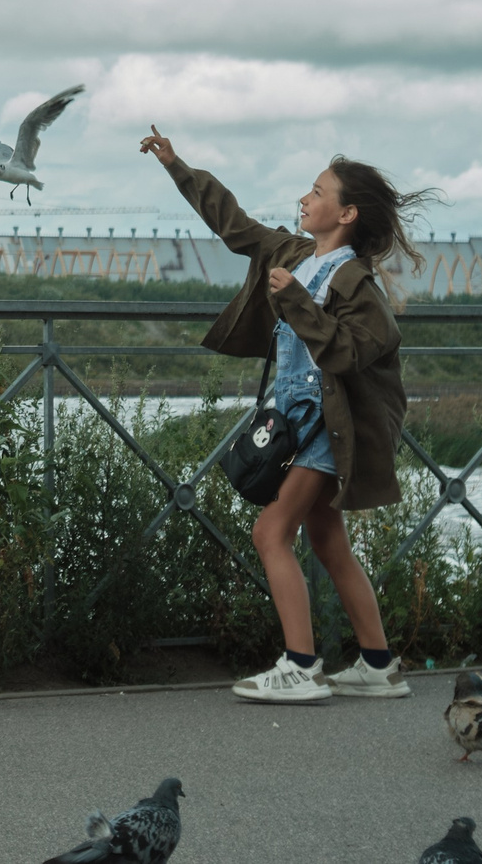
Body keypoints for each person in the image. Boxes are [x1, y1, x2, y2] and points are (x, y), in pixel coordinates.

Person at [139, 125, 428, 703]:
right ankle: (379, 665)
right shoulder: (295, 253)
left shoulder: (357, 284)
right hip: (297, 418)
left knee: (270, 531)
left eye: (317, 192)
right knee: (327, 538)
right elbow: (233, 224)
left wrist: (294, 299)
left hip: (329, 425)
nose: (304, 198)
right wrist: (176, 165)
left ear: (346, 214)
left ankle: (300, 666)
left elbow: (349, 352)